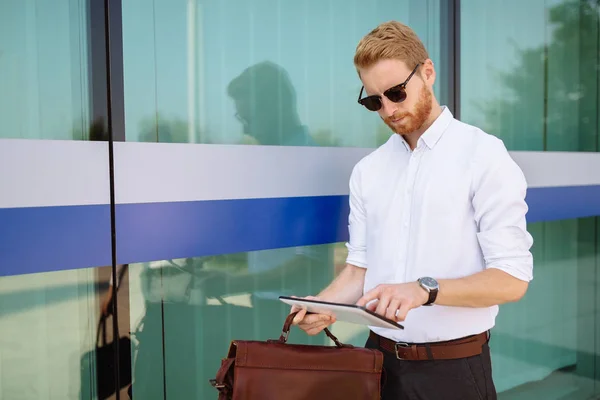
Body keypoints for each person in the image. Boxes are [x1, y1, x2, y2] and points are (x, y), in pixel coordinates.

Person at [291, 21, 533, 400]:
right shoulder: (368, 171)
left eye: (396, 93)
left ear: (428, 72)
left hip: (453, 371)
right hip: (377, 363)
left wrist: (425, 291)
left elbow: (512, 279)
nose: (387, 109)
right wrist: (323, 305)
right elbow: (359, 269)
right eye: (374, 101)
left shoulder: (484, 156)